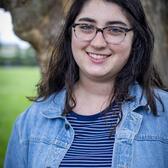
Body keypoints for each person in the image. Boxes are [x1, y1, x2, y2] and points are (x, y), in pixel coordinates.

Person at [4, 0, 168, 167]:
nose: (98, 43)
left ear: (136, 40)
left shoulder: (165, 116)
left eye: (115, 30)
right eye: (86, 27)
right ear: (70, 33)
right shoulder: (30, 122)